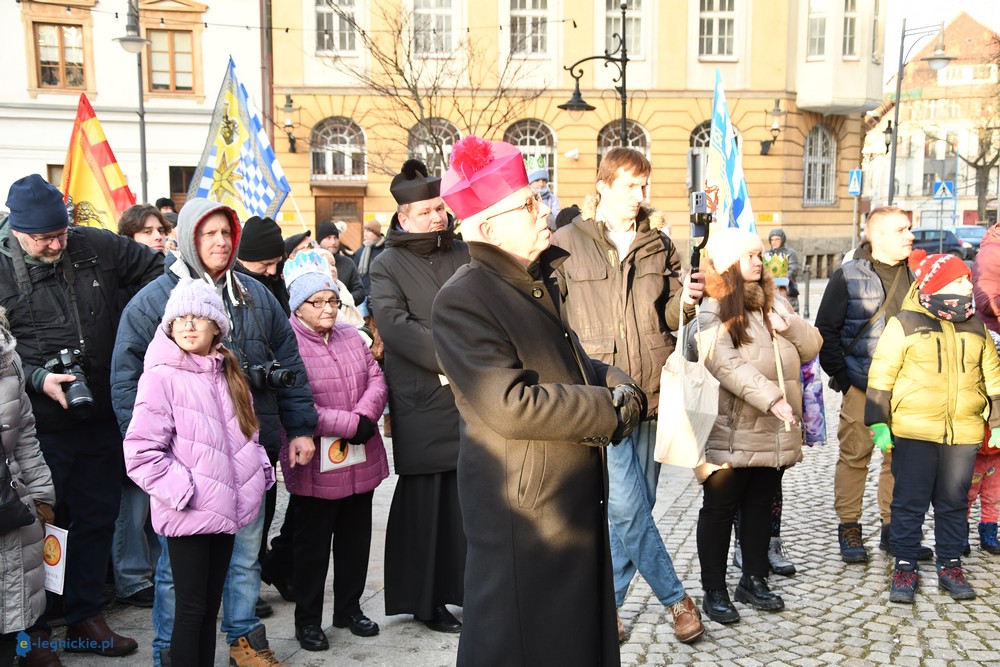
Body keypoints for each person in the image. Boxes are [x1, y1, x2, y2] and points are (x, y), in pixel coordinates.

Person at [433, 135, 646, 666]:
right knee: (520, 645)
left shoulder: (531, 277)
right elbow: (511, 403)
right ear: (487, 228)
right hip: (526, 513)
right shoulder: (463, 298)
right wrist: (610, 410)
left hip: (565, 499)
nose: (543, 209)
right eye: (528, 204)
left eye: (538, 198)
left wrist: (618, 380)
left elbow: (571, 362)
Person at [112, 198, 317, 667]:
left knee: (245, 559)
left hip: (242, 465)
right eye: (209, 233)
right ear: (188, 237)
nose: (221, 242)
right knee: (176, 579)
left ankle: (244, 642)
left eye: (227, 233)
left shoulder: (254, 294)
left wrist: (299, 428)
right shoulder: (152, 301)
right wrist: (167, 478)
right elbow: (128, 387)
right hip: (185, 478)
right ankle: (169, 652)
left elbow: (289, 359)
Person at [0, 175, 163, 658]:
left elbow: (158, 271)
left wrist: (131, 327)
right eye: (42, 238)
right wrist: (37, 378)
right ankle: (34, 632)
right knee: (37, 526)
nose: (55, 245)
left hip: (99, 411)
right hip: (34, 425)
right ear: (16, 230)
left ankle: (87, 617)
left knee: (97, 517)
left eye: (60, 234)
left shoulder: (93, 244)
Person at [551, 147, 705, 644]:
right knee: (625, 506)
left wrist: (688, 301)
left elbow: (669, 316)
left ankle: (609, 605)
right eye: (630, 186)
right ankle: (677, 599)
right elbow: (554, 318)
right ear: (603, 185)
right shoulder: (565, 242)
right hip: (603, 395)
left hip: (653, 391)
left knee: (640, 505)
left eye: (644, 186)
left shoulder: (658, 244)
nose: (640, 195)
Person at [124, 279, 275, 666]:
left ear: (217, 326)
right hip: (188, 512)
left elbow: (247, 435)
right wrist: (185, 490)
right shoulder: (161, 376)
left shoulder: (228, 372)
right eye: (180, 319)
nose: (188, 325)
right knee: (191, 611)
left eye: (198, 317)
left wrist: (257, 473)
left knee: (209, 607)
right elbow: (140, 452)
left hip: (226, 510)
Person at [688, 227, 821, 624]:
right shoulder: (713, 308)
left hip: (772, 429)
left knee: (761, 506)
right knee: (720, 508)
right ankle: (714, 590)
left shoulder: (773, 301)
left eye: (759, 255)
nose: (759, 261)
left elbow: (812, 346)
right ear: (728, 261)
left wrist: (788, 325)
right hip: (730, 427)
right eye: (749, 255)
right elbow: (722, 362)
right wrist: (772, 397)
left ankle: (753, 579)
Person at [866, 250, 1000, 603]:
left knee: (953, 502)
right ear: (939, 284)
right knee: (909, 503)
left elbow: (993, 379)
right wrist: (877, 420)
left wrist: (998, 422)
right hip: (914, 431)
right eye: (960, 280)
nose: (968, 286)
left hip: (964, 433)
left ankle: (951, 565)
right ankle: (905, 566)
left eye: (968, 279)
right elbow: (882, 374)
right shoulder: (905, 323)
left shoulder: (976, 326)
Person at [370, 158, 469, 633]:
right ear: (404, 217)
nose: (437, 218)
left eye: (440, 210)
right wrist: (455, 354)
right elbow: (394, 325)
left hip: (470, 394)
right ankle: (426, 600)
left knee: (466, 499)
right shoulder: (386, 263)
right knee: (428, 502)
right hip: (422, 396)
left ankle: (468, 589)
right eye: (427, 212)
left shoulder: (464, 252)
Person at [280, 251, 389, 649]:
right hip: (316, 464)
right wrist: (350, 425)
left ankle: (349, 608)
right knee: (311, 549)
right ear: (298, 306)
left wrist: (364, 417)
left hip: (361, 456)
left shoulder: (350, 335)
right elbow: (295, 402)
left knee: (354, 542)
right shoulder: (287, 343)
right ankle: (308, 620)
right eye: (318, 302)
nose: (328, 308)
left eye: (332, 301)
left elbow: (377, 379)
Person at [815, 206, 931, 563]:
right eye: (901, 230)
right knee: (855, 458)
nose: (910, 236)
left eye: (909, 228)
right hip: (862, 388)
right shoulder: (848, 276)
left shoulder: (916, 276)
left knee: (898, 461)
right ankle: (849, 527)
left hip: (906, 390)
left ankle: (892, 529)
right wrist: (846, 381)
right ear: (877, 235)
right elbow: (825, 331)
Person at [112, 203, 174, 610]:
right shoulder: (120, 286)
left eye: (160, 230)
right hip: (133, 404)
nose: (157, 237)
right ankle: (132, 576)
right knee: (133, 501)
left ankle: (154, 570)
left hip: (165, 404)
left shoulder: (168, 281)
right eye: (147, 231)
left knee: (158, 499)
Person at [0, 309, 56, 667]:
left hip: (9, 503)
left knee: (11, 613)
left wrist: (40, 495)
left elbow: (24, 435)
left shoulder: (7, 355)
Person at [971, 225, 1000, 554]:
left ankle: (989, 527)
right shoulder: (993, 253)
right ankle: (959, 530)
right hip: (980, 430)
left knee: (995, 487)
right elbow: (989, 301)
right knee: (969, 484)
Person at [236, 216, 289, 316]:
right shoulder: (230, 288)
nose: (273, 271)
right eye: (267, 264)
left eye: (277, 262)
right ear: (244, 260)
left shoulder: (278, 279)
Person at [316, 221, 365, 305]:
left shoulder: (348, 263)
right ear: (319, 241)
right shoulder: (312, 263)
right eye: (328, 238)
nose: (333, 242)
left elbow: (359, 291)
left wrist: (344, 300)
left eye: (335, 238)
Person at [766, 228, 801, 312]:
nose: (774, 242)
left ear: (782, 240)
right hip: (771, 289)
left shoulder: (790, 253)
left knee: (790, 313)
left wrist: (782, 280)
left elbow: (793, 269)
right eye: (772, 240)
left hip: (788, 290)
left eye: (777, 239)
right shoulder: (767, 254)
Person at [354, 219, 386, 295]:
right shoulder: (360, 251)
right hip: (362, 293)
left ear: (376, 233)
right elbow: (355, 273)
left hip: (379, 293)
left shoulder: (385, 250)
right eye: (364, 231)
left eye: (368, 231)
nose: (365, 235)